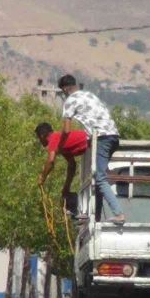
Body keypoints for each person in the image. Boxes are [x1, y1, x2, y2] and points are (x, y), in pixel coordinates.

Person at [56, 74, 125, 224]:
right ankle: (97, 217)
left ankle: (119, 214)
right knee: (98, 177)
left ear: (66, 89)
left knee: (99, 177)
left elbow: (66, 131)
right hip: (113, 136)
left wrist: (60, 147)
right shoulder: (89, 95)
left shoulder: (70, 100)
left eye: (62, 92)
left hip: (101, 138)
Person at [36, 122, 88, 206]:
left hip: (95, 141)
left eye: (39, 138)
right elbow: (72, 165)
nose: (40, 141)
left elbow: (51, 161)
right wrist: (66, 188)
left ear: (42, 136)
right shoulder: (61, 144)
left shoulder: (53, 138)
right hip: (90, 144)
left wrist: (42, 177)